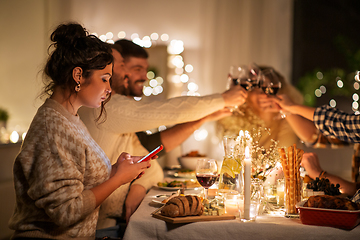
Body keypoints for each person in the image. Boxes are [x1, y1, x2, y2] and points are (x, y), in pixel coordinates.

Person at [78, 41, 247, 230]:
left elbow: (151, 162)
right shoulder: (105, 107)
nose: (127, 73)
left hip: (107, 223)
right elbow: (166, 111)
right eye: (126, 66)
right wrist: (222, 99)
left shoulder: (111, 108)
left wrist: (138, 187)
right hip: (95, 227)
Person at [8, 23, 151, 239]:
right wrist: (118, 179)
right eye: (104, 78)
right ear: (78, 75)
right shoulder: (52, 127)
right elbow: (66, 211)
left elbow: (78, 182)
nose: (109, 88)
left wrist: (116, 170)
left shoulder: (71, 118)